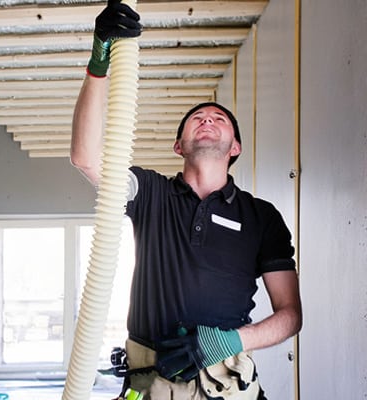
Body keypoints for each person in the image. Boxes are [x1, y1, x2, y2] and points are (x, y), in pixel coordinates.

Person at [70, 1, 303, 399]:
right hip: (151, 381)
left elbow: (290, 316)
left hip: (227, 383)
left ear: (236, 147)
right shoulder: (151, 193)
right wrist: (100, 60)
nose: (208, 119)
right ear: (180, 145)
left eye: (220, 118)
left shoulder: (261, 216)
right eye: (198, 118)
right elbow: (85, 157)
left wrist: (229, 342)